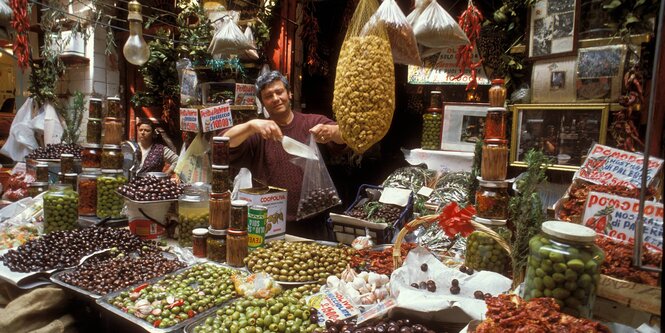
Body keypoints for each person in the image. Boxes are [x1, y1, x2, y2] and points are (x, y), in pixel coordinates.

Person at [222, 71, 345, 239]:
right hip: (270, 223)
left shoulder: (311, 122)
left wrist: (332, 131)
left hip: (313, 221)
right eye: (268, 96)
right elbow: (221, 143)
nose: (276, 98)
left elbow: (344, 135)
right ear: (263, 103)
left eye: (279, 92)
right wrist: (250, 126)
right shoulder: (258, 132)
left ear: (289, 93)